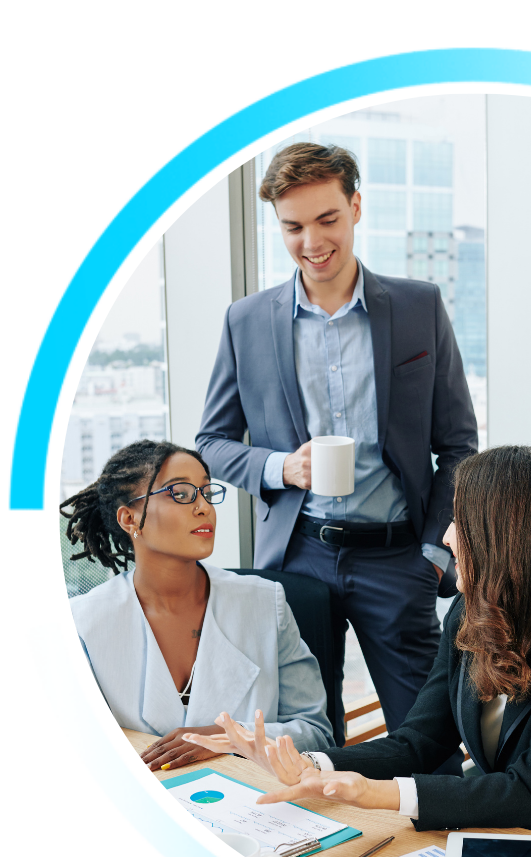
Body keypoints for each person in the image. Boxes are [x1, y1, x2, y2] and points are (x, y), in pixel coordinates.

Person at [182, 446, 531, 848]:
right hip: (494, 833)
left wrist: (378, 794)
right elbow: (418, 743)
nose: (448, 534)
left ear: (511, 538)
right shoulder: (471, 610)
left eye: (461, 520)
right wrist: (308, 764)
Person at [195, 142, 479, 748]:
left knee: (426, 740)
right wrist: (281, 467)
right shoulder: (245, 322)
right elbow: (212, 443)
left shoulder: (417, 306)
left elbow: (458, 445)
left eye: (326, 220)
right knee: (306, 740)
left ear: (355, 207)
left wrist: (433, 552)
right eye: (292, 226)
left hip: (398, 561)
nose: (311, 242)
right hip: (297, 560)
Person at [61, 439, 333, 771]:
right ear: (130, 519)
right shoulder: (84, 623)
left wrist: (226, 738)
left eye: (206, 491)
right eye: (180, 493)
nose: (203, 506)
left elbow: (317, 733)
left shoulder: (265, 602)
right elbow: (75, 746)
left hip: (257, 805)